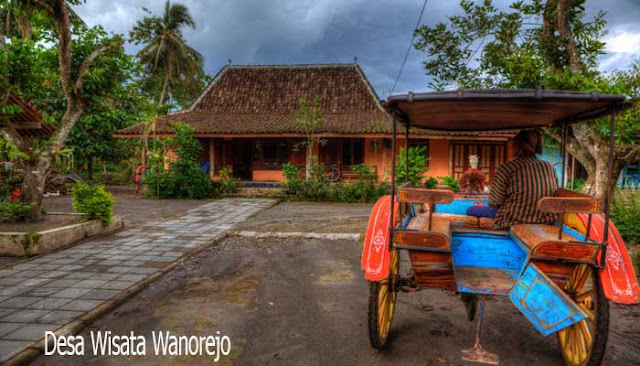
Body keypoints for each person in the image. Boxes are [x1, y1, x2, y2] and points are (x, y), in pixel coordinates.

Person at [488, 129, 558, 230]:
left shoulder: (507, 168)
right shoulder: (549, 167)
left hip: (512, 222)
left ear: (516, 145)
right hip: (546, 221)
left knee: (472, 210)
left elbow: (495, 201)